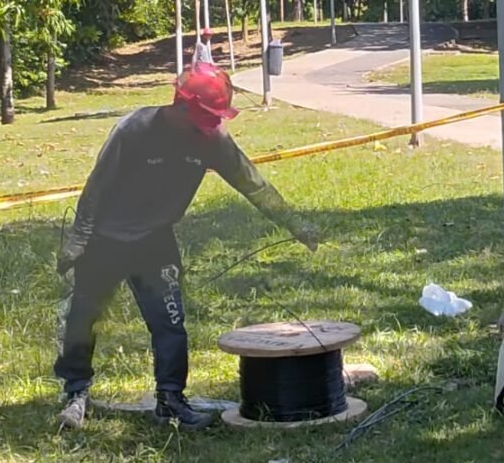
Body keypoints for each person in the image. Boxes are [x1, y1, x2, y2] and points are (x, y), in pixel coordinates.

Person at [54, 64, 320, 430]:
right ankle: (75, 393)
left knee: (170, 324)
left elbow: (252, 183)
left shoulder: (212, 139)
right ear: (182, 104)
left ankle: (170, 401)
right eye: (206, 115)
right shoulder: (135, 130)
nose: (211, 123)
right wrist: (78, 241)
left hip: (155, 241)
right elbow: (96, 187)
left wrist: (296, 223)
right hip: (105, 240)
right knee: (83, 317)